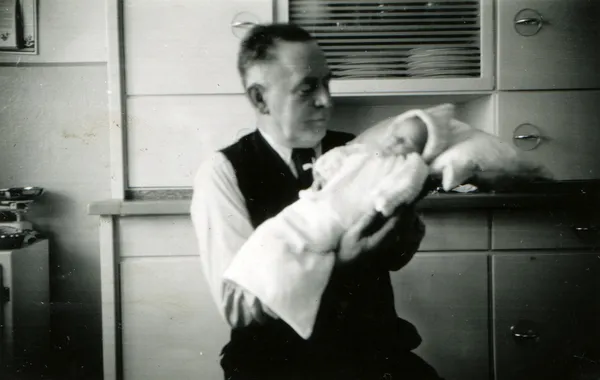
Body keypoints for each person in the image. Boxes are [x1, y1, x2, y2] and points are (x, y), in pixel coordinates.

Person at [191, 23, 443, 380]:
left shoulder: (357, 152)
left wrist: (404, 218)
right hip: (278, 366)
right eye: (307, 88)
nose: (326, 100)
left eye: (327, 83)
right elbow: (239, 308)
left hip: (372, 356)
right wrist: (341, 265)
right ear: (260, 98)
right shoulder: (222, 172)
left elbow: (394, 259)